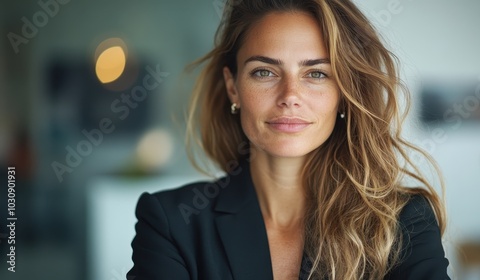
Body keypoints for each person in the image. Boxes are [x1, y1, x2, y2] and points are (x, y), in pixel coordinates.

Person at [127, 0, 450, 279]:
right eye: (264, 72)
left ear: (344, 93)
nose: (290, 96)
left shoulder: (402, 220)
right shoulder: (172, 221)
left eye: (316, 74)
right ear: (233, 87)